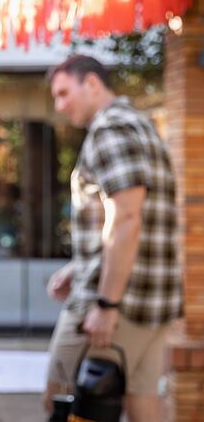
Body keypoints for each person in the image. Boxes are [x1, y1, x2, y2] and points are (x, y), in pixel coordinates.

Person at [44, 55, 183, 422]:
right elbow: (138, 218)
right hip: (156, 300)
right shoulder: (143, 126)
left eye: (63, 93)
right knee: (143, 402)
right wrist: (80, 265)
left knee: (60, 396)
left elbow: (127, 217)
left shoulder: (110, 130)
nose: (59, 106)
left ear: (91, 83)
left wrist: (106, 303)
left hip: (115, 305)